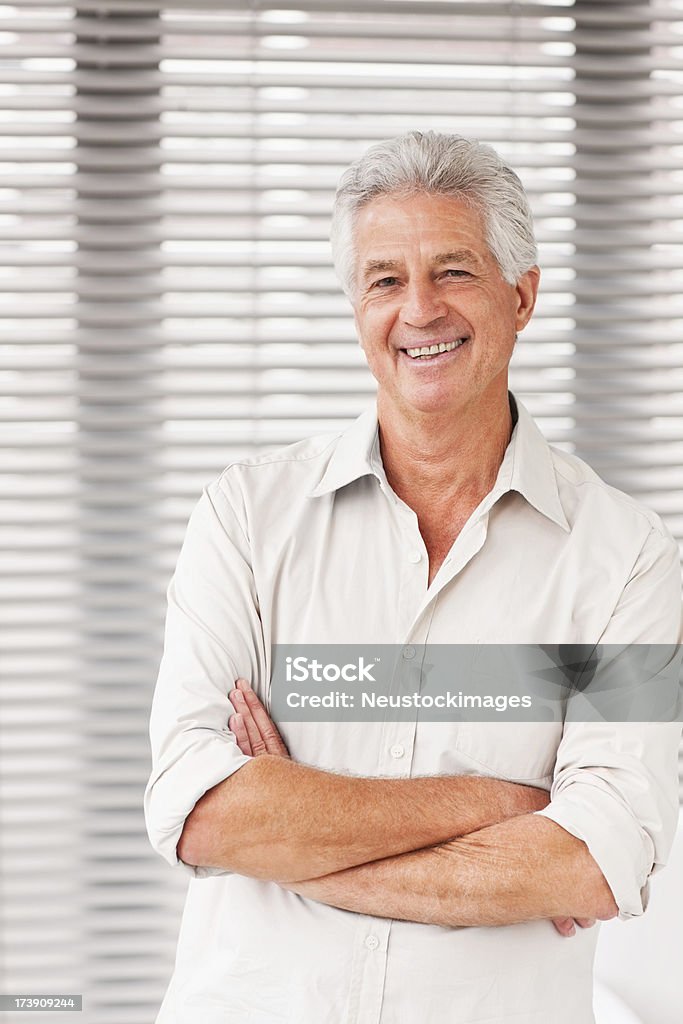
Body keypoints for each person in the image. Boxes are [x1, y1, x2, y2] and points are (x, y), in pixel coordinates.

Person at [144, 131, 682, 1024]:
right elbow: (201, 813)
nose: (419, 309)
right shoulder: (243, 517)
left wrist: (299, 839)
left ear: (521, 295)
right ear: (357, 308)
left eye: (455, 271)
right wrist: (501, 802)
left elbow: (593, 859)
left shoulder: (626, 556)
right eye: (384, 279)